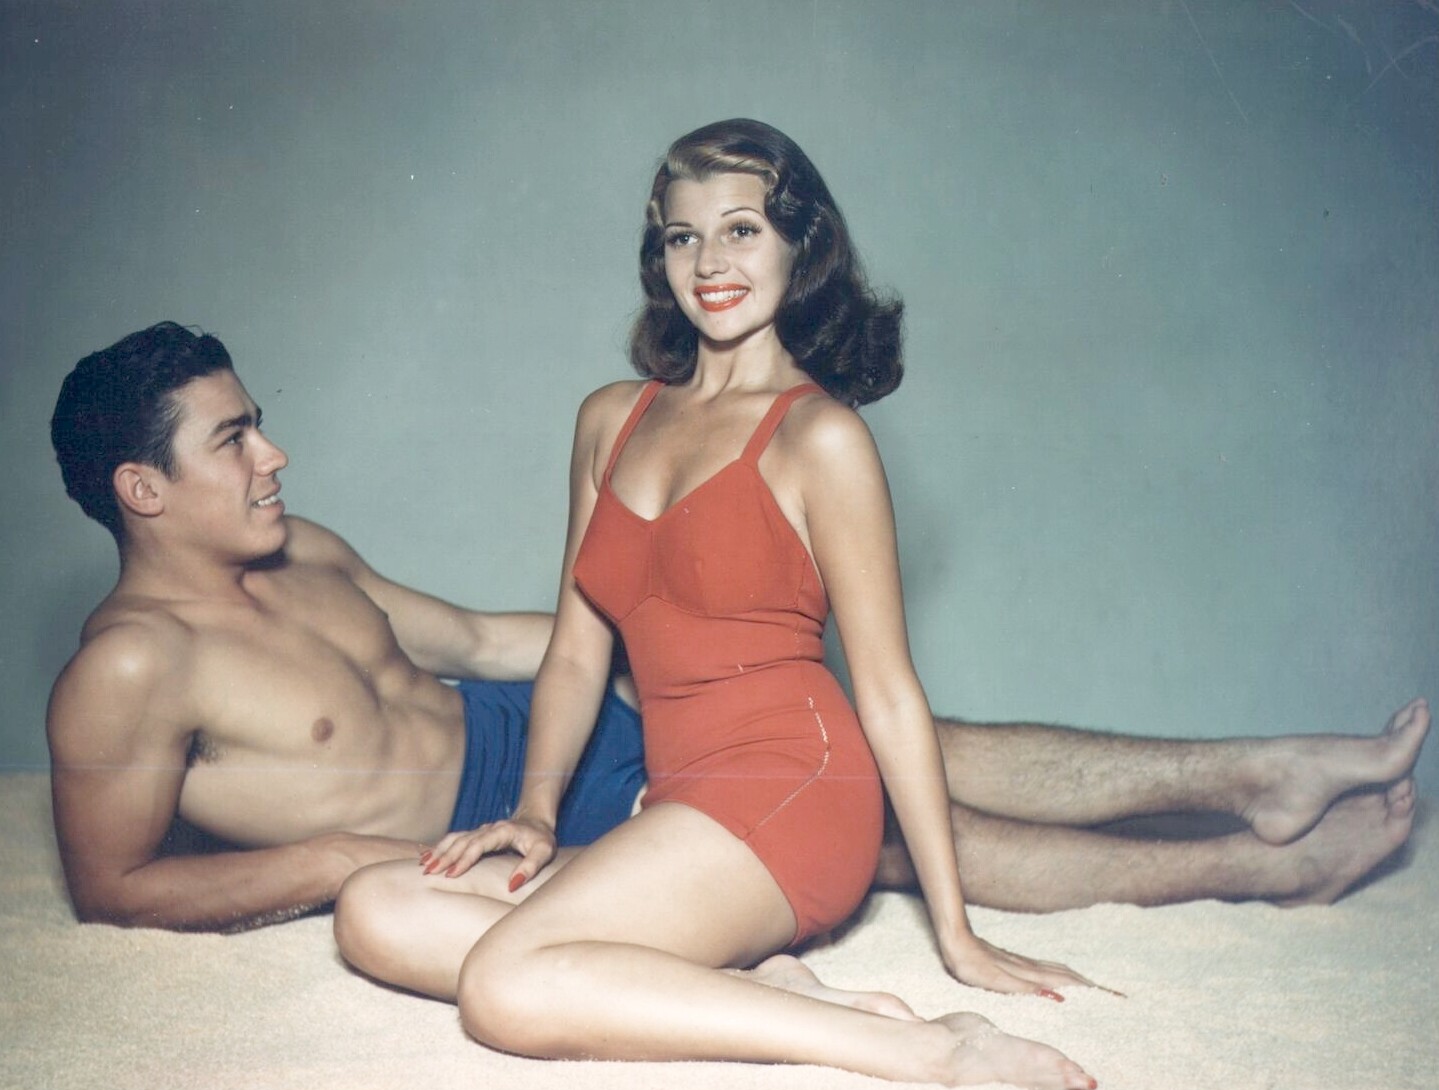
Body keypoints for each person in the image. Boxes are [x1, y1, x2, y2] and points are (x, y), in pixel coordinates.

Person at [331, 120, 1418, 1090]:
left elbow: (889, 692)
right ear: (657, 258)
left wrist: (954, 930)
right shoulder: (607, 420)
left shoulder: (822, 439)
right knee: (377, 908)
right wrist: (533, 809)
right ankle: (759, 983)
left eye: (742, 229)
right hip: (673, 801)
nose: (710, 264)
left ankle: (919, 1048)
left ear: (799, 245)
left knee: (506, 986)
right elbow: (576, 649)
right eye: (681, 238)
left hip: (795, 793)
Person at [46, 322, 1425, 936]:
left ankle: (1248, 772)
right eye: (233, 439)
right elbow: (114, 887)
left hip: (540, 740)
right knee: (875, 836)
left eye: (259, 423)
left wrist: (672, 638)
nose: (273, 455)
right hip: (488, 829)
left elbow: (468, 636)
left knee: (874, 737)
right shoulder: (128, 667)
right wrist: (352, 859)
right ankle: (1249, 869)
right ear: (141, 488)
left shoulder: (304, 551)